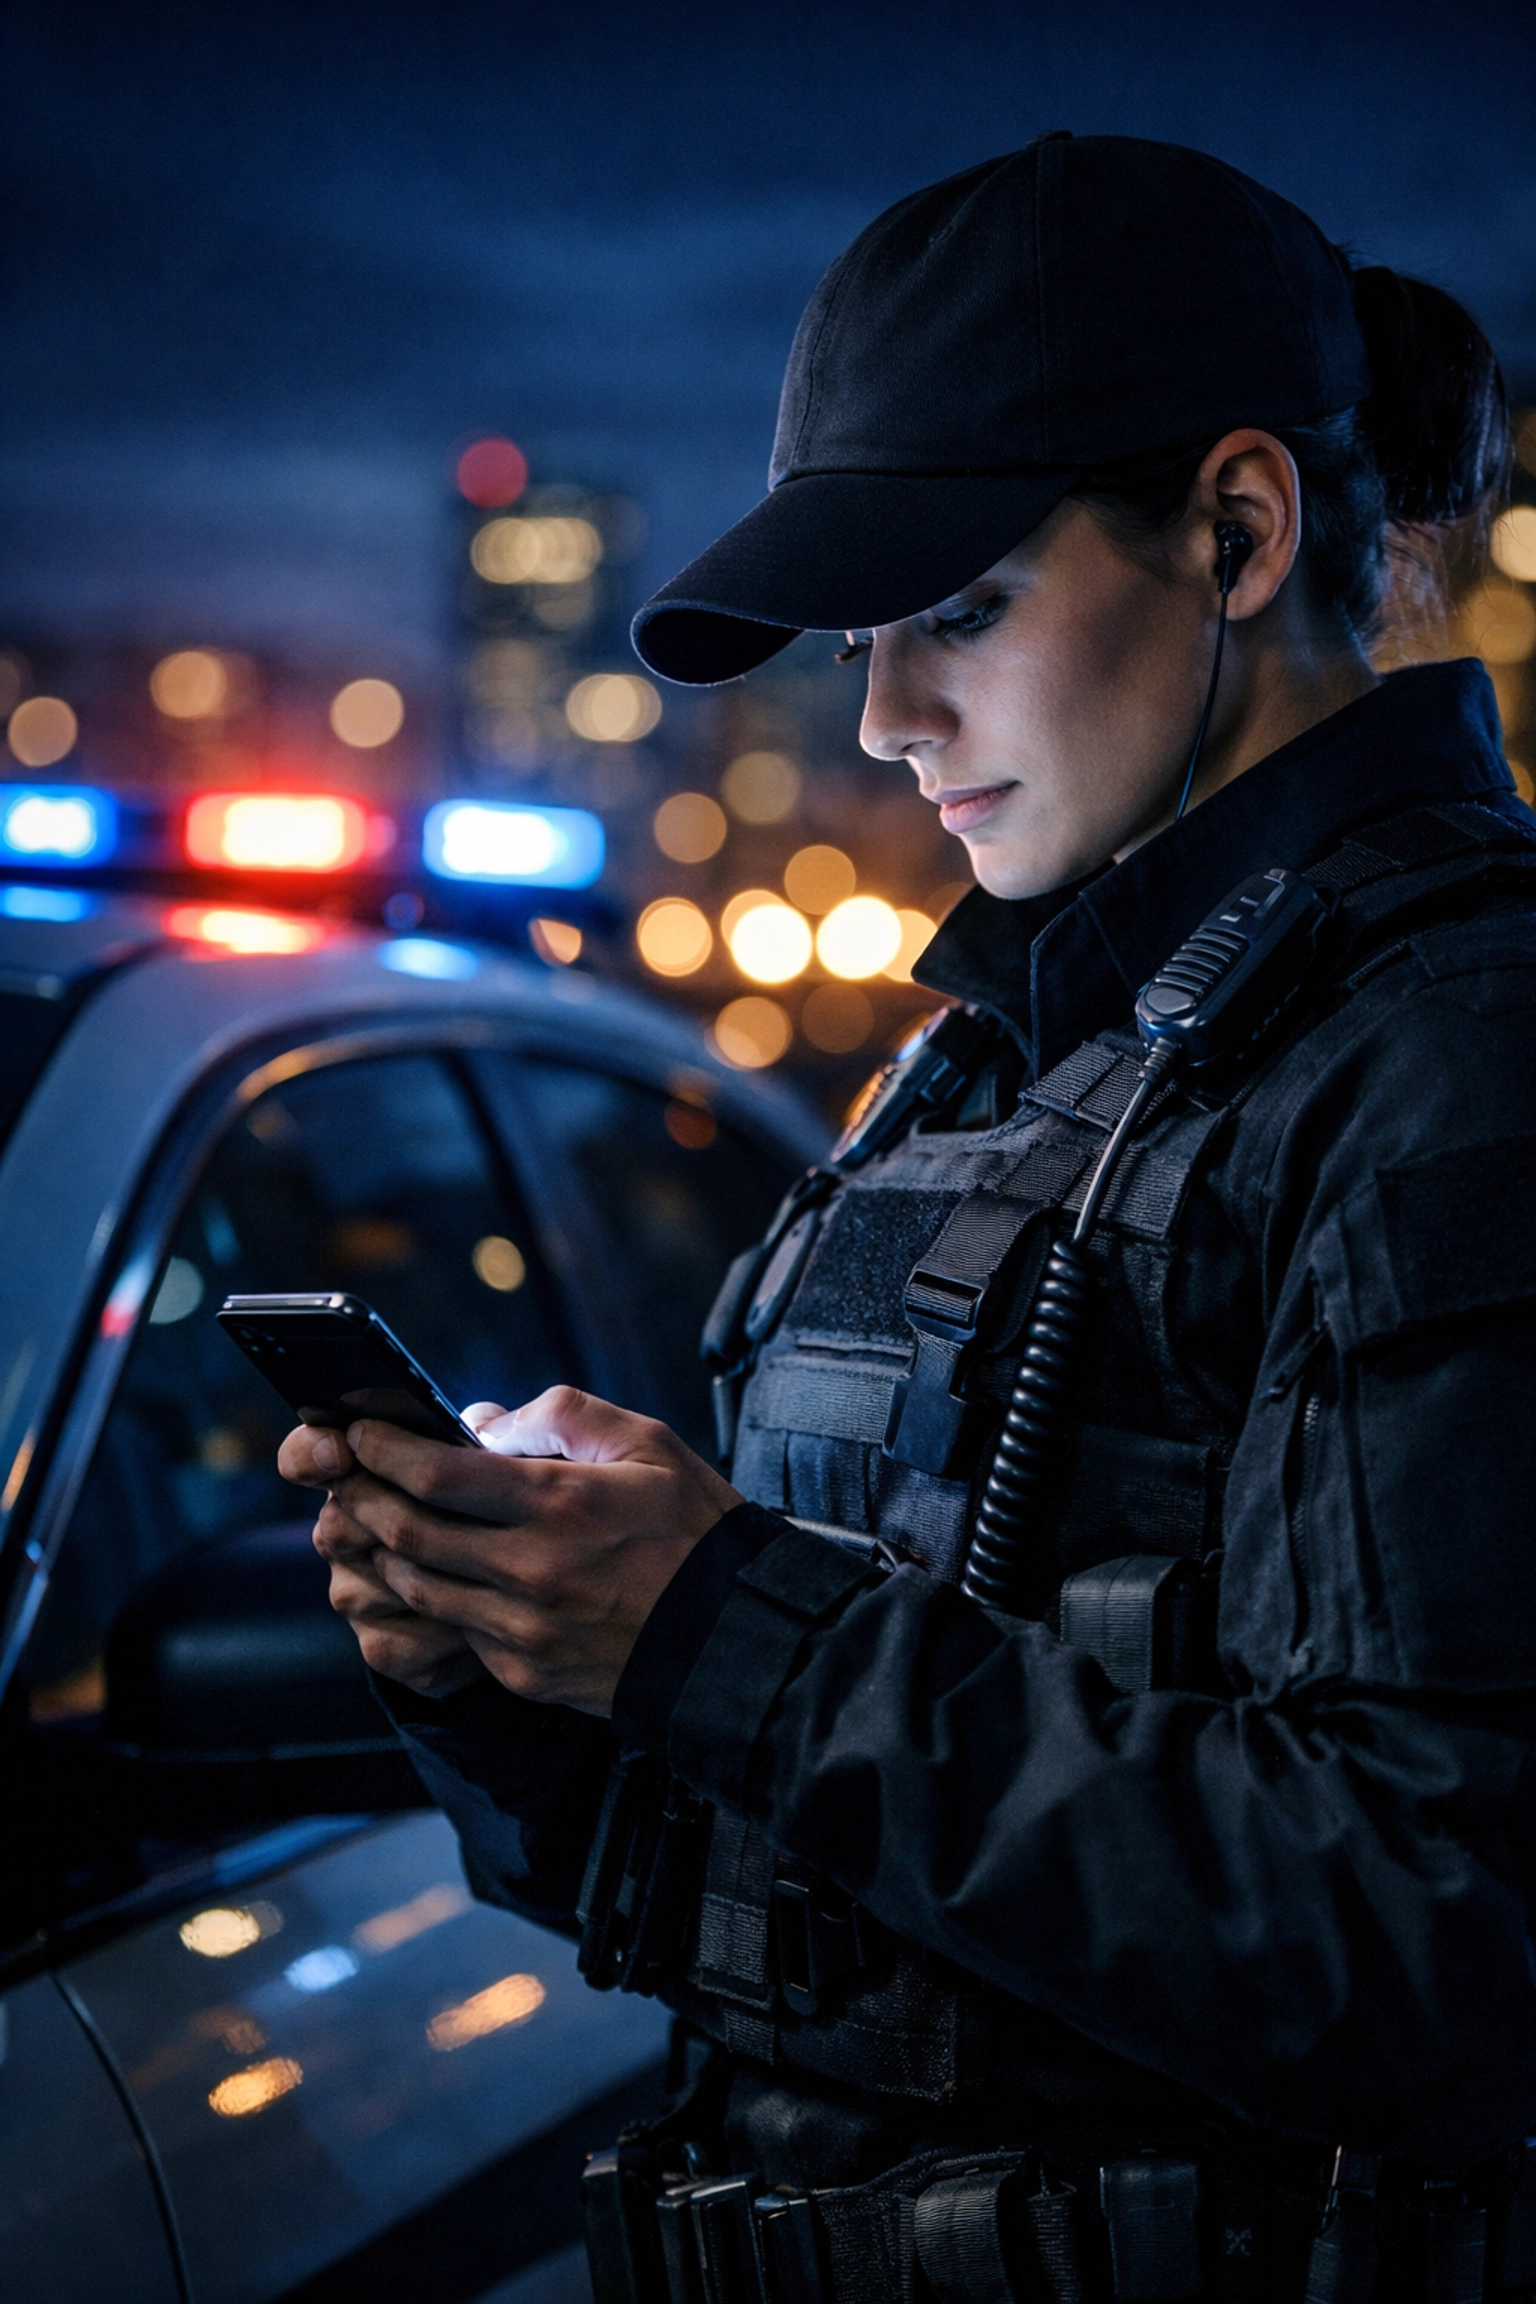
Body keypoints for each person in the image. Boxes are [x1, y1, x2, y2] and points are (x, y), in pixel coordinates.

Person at [281, 136, 1536, 2299]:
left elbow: (1451, 1947)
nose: (882, 719)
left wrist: (715, 1627)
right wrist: (512, 1664)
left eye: (959, 612)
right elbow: (803, 1924)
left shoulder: (1460, 1053)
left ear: (1238, 528)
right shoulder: (1004, 1043)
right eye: (867, 637)